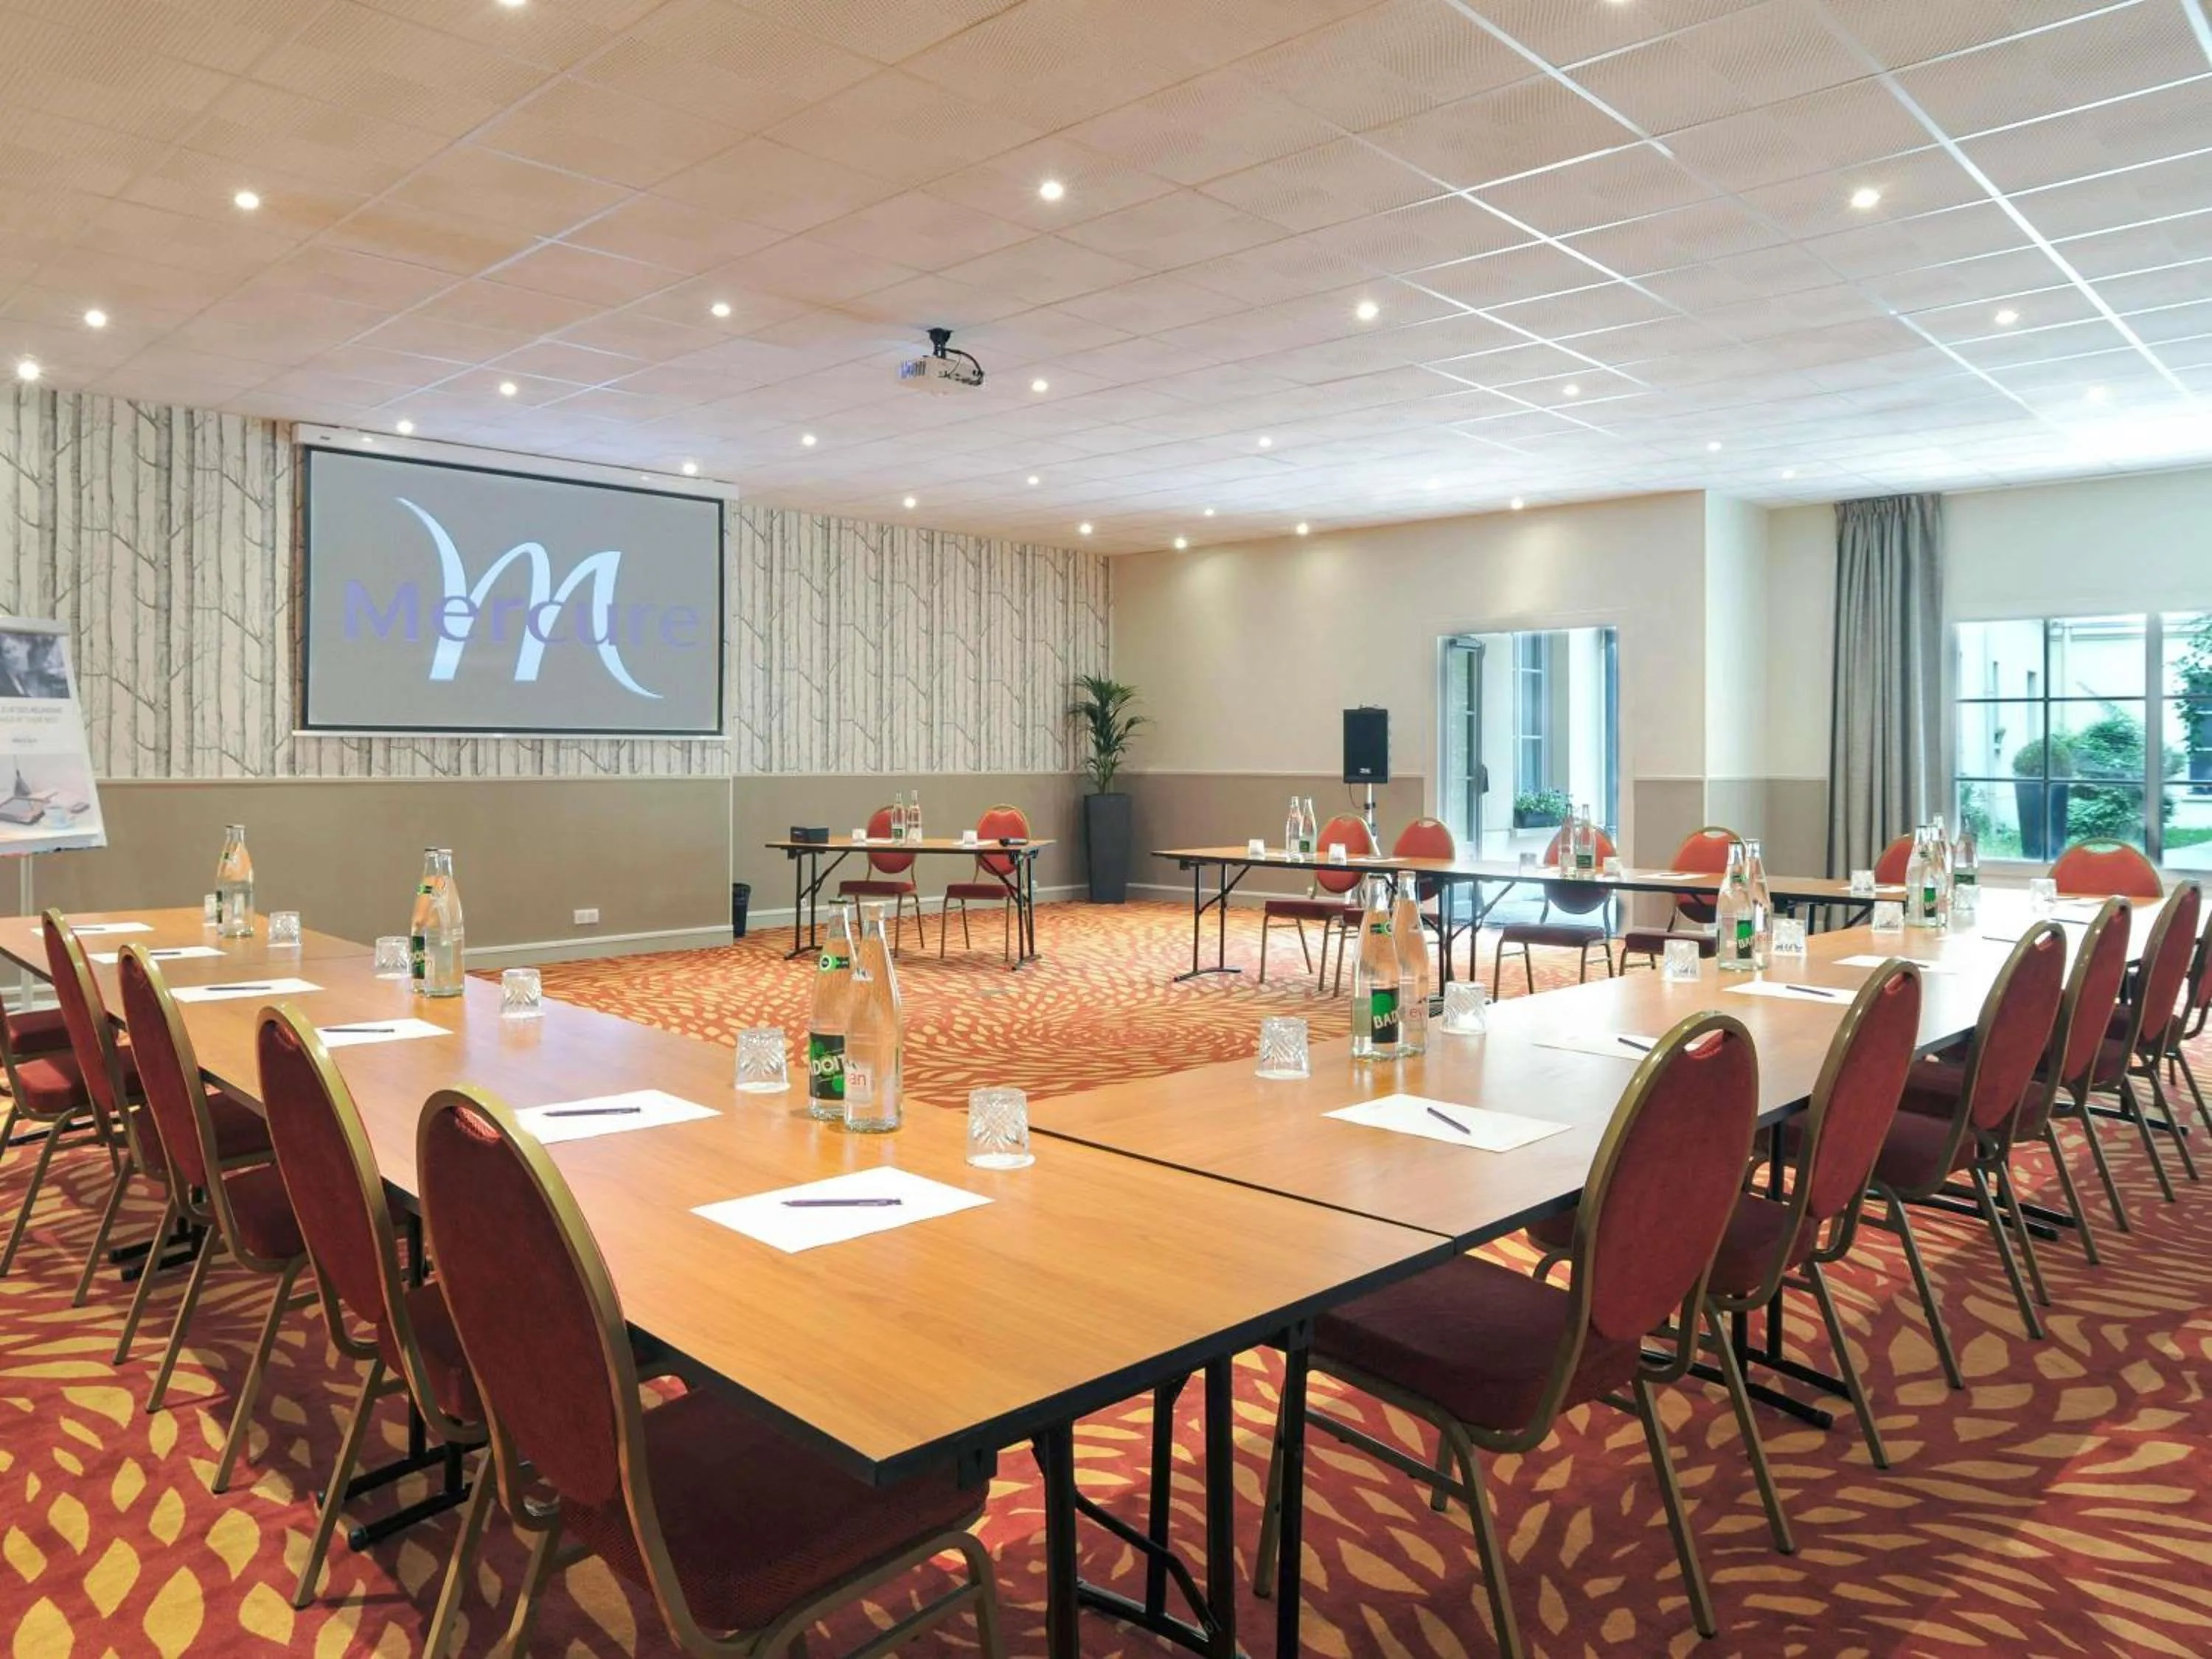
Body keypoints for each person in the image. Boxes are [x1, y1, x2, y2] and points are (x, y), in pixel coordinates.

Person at [0, 631, 68, 700]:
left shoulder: (20, 678)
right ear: (1, 658)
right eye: (8, 652)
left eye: (15, 648)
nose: (15, 655)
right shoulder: (4, 684)